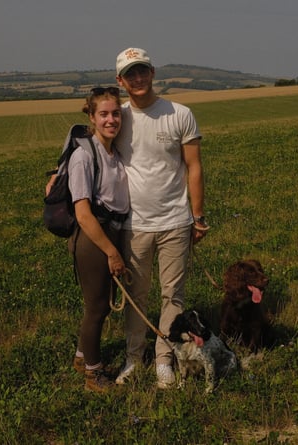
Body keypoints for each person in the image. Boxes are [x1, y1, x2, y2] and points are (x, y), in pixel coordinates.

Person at [113, 47, 209, 389]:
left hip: (175, 221)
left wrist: (197, 217)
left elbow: (194, 167)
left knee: (174, 296)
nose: (138, 79)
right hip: (133, 225)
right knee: (136, 297)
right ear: (120, 81)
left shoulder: (179, 113)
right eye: (130, 74)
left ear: (153, 72)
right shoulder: (118, 118)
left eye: (143, 71)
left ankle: (164, 359)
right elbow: (90, 150)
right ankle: (133, 358)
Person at [65, 87, 130, 392]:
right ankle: (94, 373)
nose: (111, 119)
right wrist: (111, 252)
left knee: (101, 306)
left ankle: (81, 357)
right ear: (91, 117)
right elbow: (83, 214)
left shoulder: (114, 152)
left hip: (110, 234)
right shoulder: (83, 155)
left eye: (115, 113)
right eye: (103, 114)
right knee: (96, 308)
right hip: (94, 240)